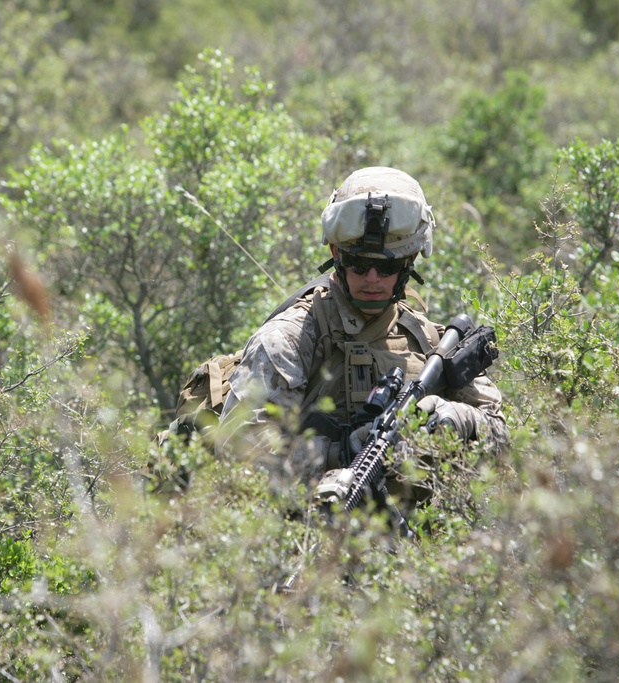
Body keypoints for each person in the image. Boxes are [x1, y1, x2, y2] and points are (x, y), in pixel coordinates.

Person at [215, 166, 510, 499]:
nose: (372, 278)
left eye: (387, 267)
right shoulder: (290, 339)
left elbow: (504, 440)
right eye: (358, 263)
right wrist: (335, 454)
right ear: (335, 256)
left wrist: (459, 419)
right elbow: (238, 452)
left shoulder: (432, 343)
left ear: (410, 262)